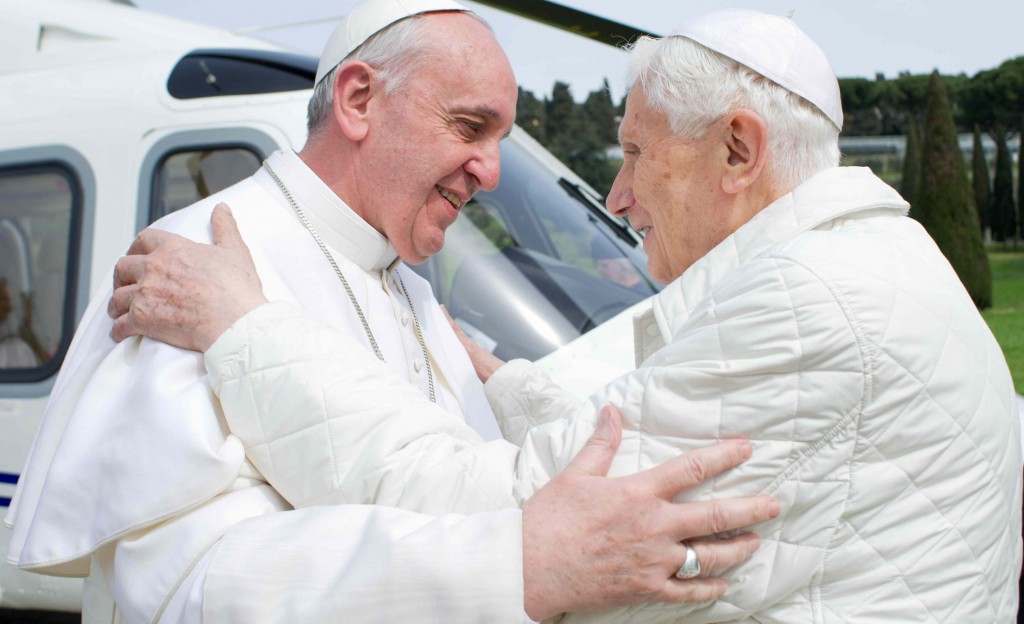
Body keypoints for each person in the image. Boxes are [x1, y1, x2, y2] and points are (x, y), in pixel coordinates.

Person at [104, 7, 1023, 622]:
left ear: (738, 150)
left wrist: (244, 330)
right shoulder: (872, 262)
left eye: (633, 153)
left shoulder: (812, 304)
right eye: (470, 129)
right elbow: (627, 428)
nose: (617, 196)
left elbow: (515, 517)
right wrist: (496, 383)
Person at [5, 1, 780, 622]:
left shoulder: (409, 284)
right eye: (471, 127)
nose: (491, 169)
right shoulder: (190, 268)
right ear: (359, 99)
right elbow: (180, 593)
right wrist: (516, 568)